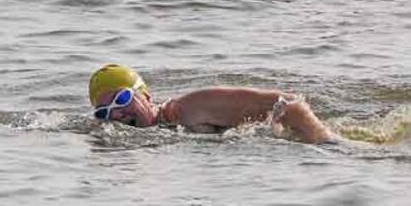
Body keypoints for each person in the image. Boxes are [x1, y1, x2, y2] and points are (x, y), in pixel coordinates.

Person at [88, 63, 335, 144]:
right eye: (104, 111)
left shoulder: (193, 108)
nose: (117, 114)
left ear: (145, 96)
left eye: (122, 99)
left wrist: (327, 143)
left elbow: (289, 104)